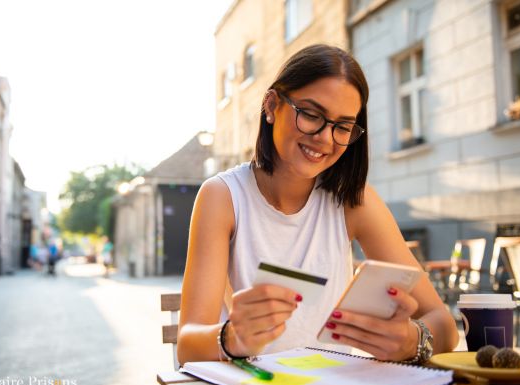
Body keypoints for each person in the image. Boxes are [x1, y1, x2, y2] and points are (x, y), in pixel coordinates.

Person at [178, 44, 458, 365]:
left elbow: (444, 325)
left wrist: (413, 341)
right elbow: (188, 344)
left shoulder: (353, 201)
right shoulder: (223, 196)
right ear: (271, 105)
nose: (325, 138)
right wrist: (232, 337)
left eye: (342, 126)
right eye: (311, 115)